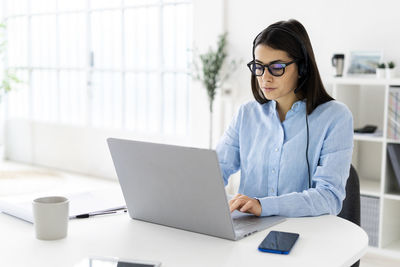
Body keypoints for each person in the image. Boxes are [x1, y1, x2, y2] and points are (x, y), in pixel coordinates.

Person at [216, 19, 353, 217]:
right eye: (259, 66)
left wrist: (264, 206)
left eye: (277, 67)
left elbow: (329, 197)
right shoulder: (246, 114)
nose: (265, 77)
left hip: (307, 234)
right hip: (248, 230)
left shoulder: (335, 117)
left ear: (302, 68)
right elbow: (215, 171)